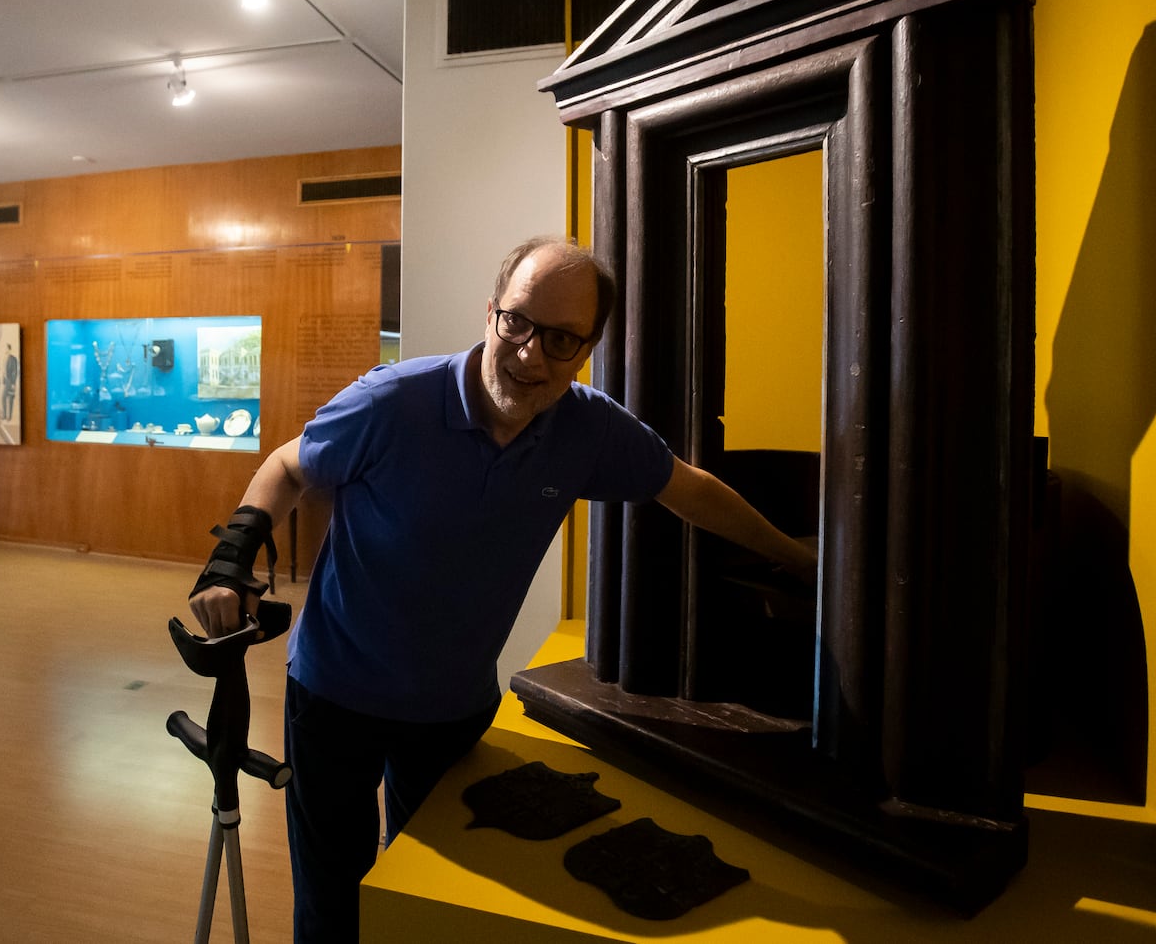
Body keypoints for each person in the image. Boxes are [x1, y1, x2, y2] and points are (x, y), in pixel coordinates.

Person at [189, 237, 816, 942]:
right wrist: (231, 558)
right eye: (516, 322)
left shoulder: (589, 428)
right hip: (334, 697)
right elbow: (287, 466)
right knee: (334, 903)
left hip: (452, 709)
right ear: (490, 311)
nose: (528, 355)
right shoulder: (393, 400)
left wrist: (797, 560)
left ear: (588, 347)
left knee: (429, 897)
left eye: (560, 339)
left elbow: (687, 489)